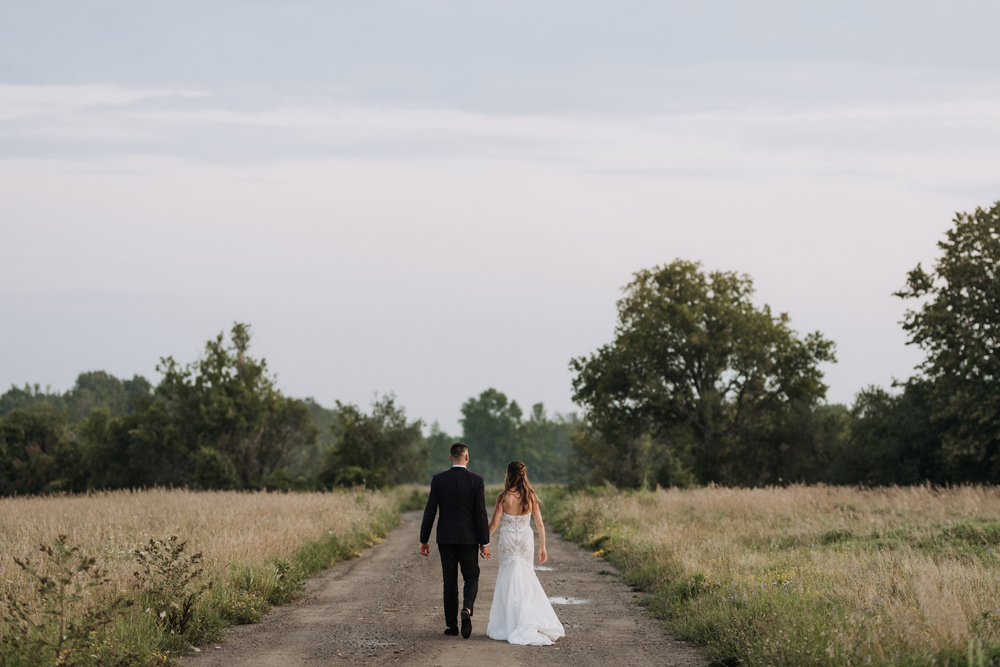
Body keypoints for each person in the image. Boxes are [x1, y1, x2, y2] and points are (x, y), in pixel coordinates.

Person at [485, 460, 565, 646]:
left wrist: (484, 543)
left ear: (509, 475)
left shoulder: (503, 497)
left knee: (508, 577)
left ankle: (510, 623)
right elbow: (540, 525)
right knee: (526, 577)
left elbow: (494, 524)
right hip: (525, 540)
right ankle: (529, 618)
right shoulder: (530, 496)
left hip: (508, 541)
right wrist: (542, 547)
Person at [419, 442, 491, 638]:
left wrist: (423, 538)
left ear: (451, 457)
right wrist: (485, 542)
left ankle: (452, 626)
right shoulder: (476, 481)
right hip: (469, 539)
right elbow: (480, 514)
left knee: (449, 581)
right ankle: (467, 609)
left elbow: (430, 511)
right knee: (471, 576)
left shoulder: (439, 480)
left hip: (446, 538)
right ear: (467, 457)